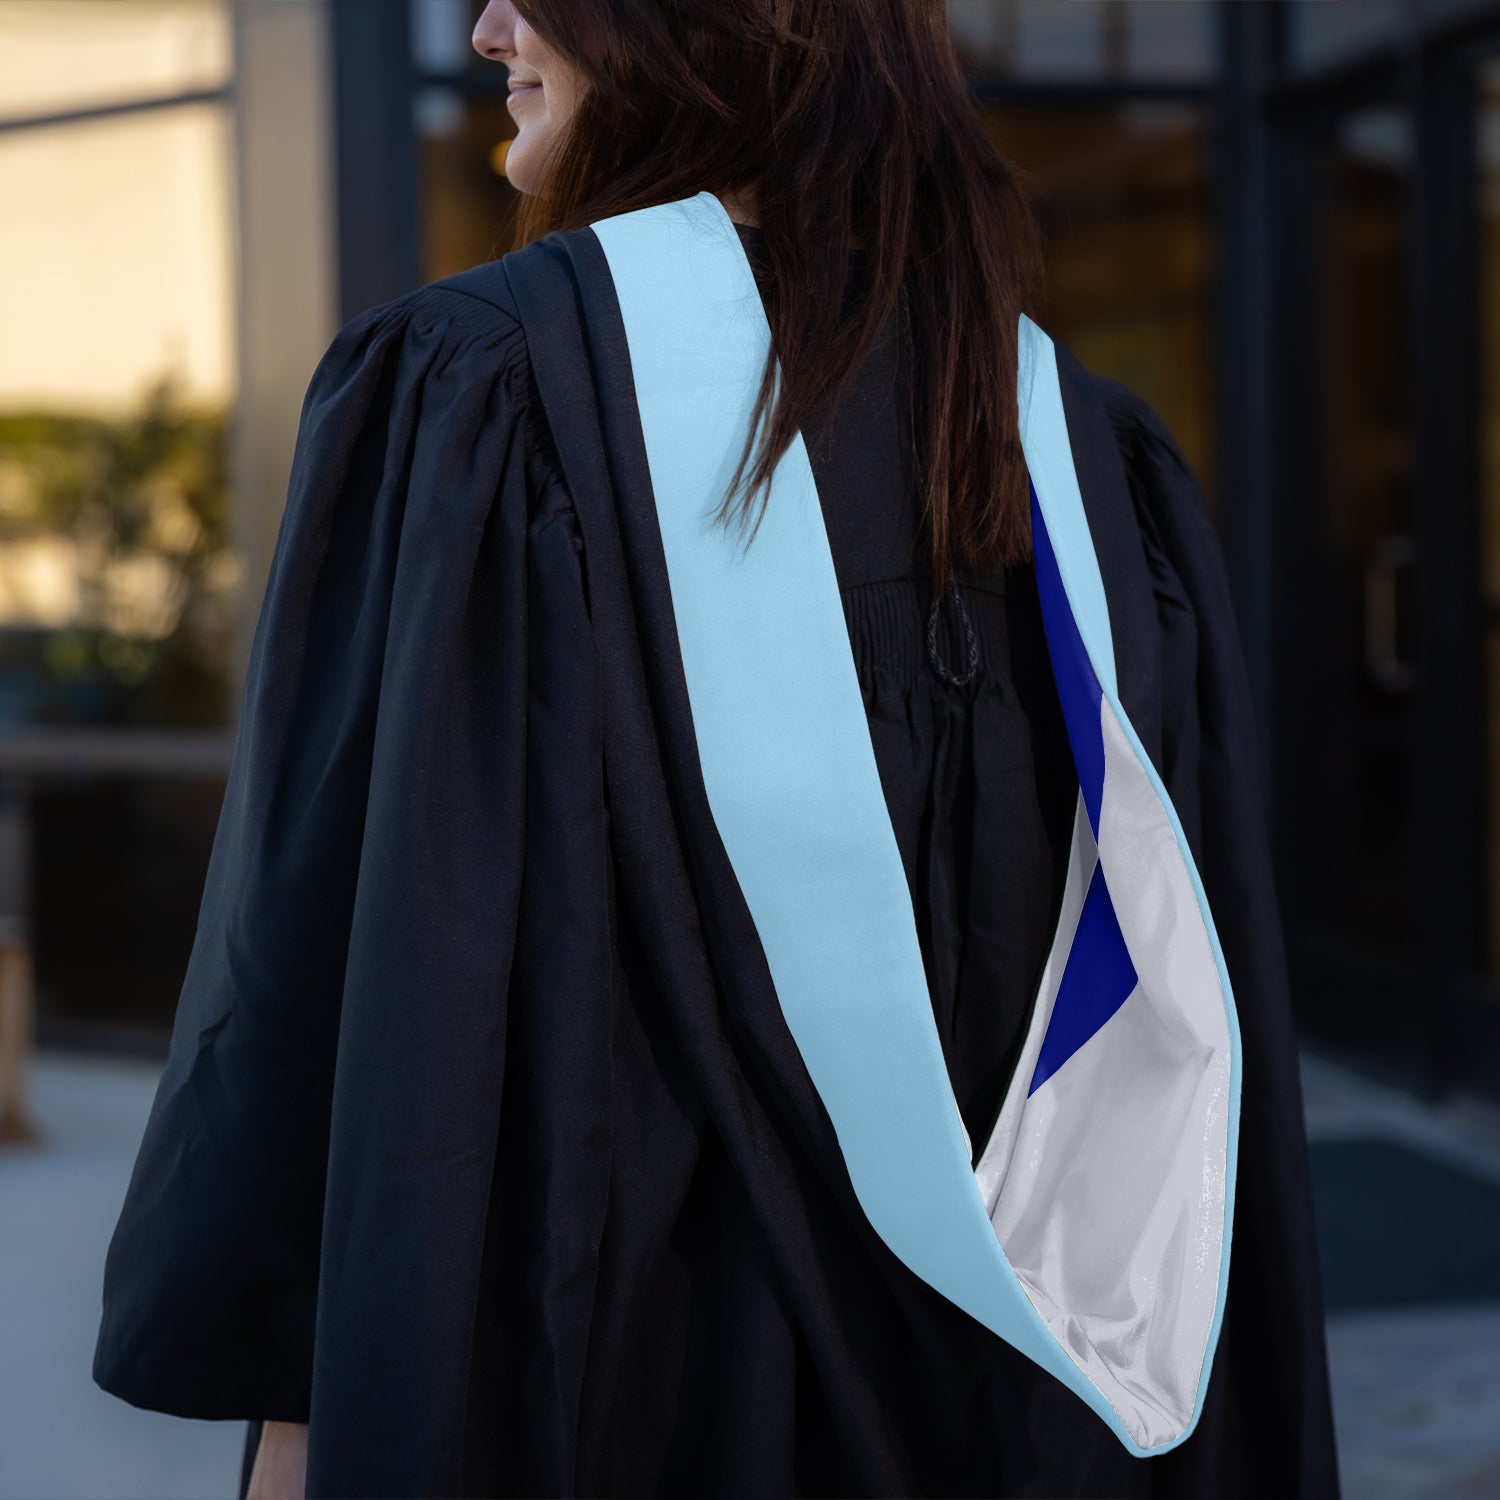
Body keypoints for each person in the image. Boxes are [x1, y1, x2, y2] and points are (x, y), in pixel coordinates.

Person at [92, 3, 1342, 1497]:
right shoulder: (1083, 460)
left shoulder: (484, 398)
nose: (490, 24)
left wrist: (296, 1442)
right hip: (1032, 1425)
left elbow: (332, 1020)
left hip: (622, 1399)